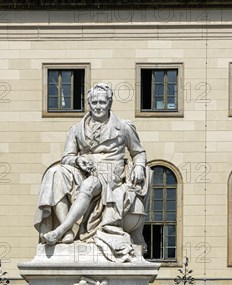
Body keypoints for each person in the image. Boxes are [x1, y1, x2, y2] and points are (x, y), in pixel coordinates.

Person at [34, 84, 148, 260]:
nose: (98, 106)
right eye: (94, 102)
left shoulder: (124, 127)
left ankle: (61, 229)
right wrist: (78, 160)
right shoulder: (76, 128)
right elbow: (67, 157)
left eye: (102, 102)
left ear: (110, 103)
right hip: (83, 169)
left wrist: (139, 166)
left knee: (90, 184)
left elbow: (138, 152)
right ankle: (67, 234)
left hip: (110, 172)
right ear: (89, 103)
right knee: (54, 173)